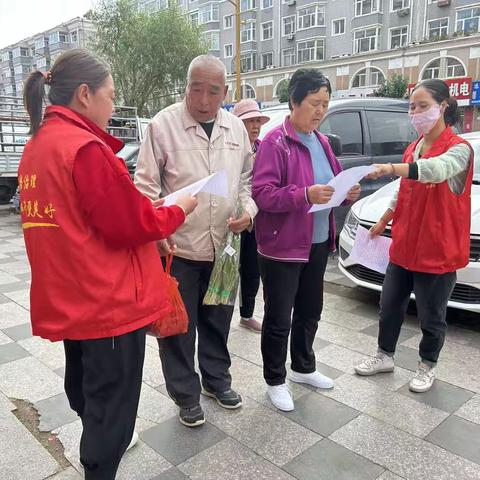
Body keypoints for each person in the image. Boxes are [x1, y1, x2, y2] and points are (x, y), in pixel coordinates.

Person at [19, 49, 197, 480]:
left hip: (76, 298)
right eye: (111, 96)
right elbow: (129, 225)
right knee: (112, 414)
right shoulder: (85, 149)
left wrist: (141, 207)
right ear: (84, 94)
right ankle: (100, 461)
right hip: (108, 307)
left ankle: (97, 444)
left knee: (89, 394)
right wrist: (179, 209)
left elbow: (93, 216)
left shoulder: (40, 145)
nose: (113, 106)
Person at [135, 54, 257, 427]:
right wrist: (158, 232)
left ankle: (217, 381)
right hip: (179, 250)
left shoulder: (236, 129)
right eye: (196, 89)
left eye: (213, 91)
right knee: (179, 327)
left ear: (225, 92)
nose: (203, 99)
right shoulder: (162, 126)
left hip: (224, 250)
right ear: (185, 86)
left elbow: (246, 181)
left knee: (219, 320)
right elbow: (145, 187)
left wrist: (248, 212)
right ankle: (186, 393)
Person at [354, 79, 473, 393]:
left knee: (431, 316)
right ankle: (384, 356)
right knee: (389, 305)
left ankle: (427, 365)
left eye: (423, 106)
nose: (416, 112)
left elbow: (434, 170)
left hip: (438, 249)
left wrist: (392, 167)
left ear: (443, 106)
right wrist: (382, 221)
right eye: (412, 107)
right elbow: (402, 193)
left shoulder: (460, 149)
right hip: (404, 245)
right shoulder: (413, 147)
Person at [252, 69, 361, 412]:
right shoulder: (275, 143)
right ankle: (274, 379)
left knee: (311, 311)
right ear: (294, 102)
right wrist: (304, 195)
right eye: (314, 103)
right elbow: (263, 195)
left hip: (316, 242)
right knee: (279, 316)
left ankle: (303, 367)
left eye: (325, 104)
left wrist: (346, 193)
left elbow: (330, 184)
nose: (320, 111)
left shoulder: (323, 141)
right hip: (282, 246)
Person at [232, 99, 270, 333]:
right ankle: (218, 311)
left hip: (255, 217)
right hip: (229, 217)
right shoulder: (229, 148)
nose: (255, 126)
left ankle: (246, 314)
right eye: (249, 121)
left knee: (251, 268)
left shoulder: (265, 149)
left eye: (257, 121)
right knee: (225, 266)